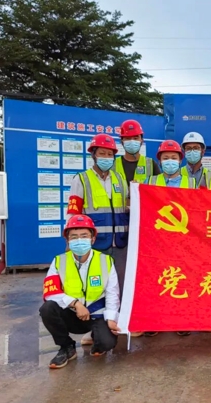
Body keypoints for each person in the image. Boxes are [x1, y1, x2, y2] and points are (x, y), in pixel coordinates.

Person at [67, 134, 138, 343]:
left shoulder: (119, 179)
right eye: (102, 153)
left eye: (110, 154)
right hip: (96, 244)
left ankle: (122, 323)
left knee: (122, 285)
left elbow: (127, 206)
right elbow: (73, 212)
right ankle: (93, 330)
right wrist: (71, 241)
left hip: (120, 242)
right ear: (93, 155)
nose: (106, 157)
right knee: (96, 288)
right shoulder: (82, 179)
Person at [39, 215, 120, 369]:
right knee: (47, 308)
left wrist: (111, 318)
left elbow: (112, 293)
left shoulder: (106, 261)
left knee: (107, 343)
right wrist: (75, 303)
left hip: (97, 314)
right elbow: (50, 292)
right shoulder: (59, 261)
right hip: (71, 314)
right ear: (67, 240)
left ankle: (97, 337)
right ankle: (66, 347)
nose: (79, 240)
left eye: (84, 236)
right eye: (74, 237)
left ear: (93, 239)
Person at [147, 139, 195, 337]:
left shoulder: (191, 182)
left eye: (173, 158)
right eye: (165, 158)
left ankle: (181, 319)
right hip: (156, 240)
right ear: (159, 160)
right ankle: (154, 320)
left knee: (181, 279)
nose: (169, 161)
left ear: (180, 160)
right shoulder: (150, 182)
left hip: (182, 241)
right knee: (156, 279)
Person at [112, 119, 161, 185]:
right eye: (128, 138)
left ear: (142, 141)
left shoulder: (151, 164)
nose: (132, 141)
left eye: (135, 138)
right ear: (121, 141)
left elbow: (158, 188)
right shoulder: (113, 164)